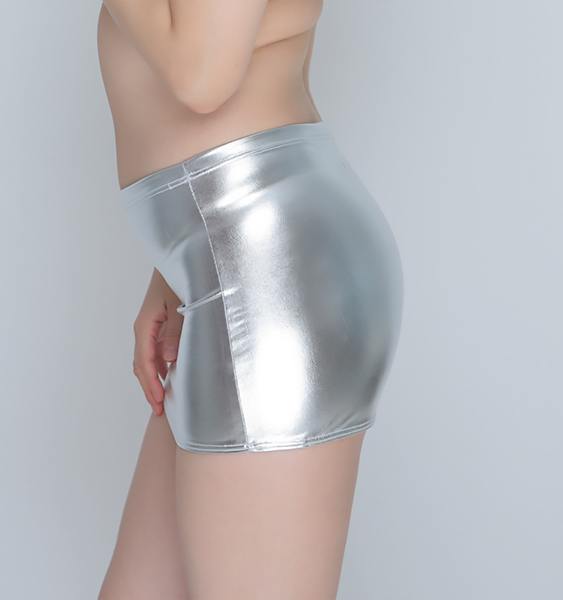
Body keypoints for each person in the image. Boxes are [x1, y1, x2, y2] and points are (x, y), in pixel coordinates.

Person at [96, 1, 404, 598]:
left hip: (272, 282)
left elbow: (201, 76)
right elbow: (267, 67)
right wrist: (173, 271)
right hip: (239, 259)